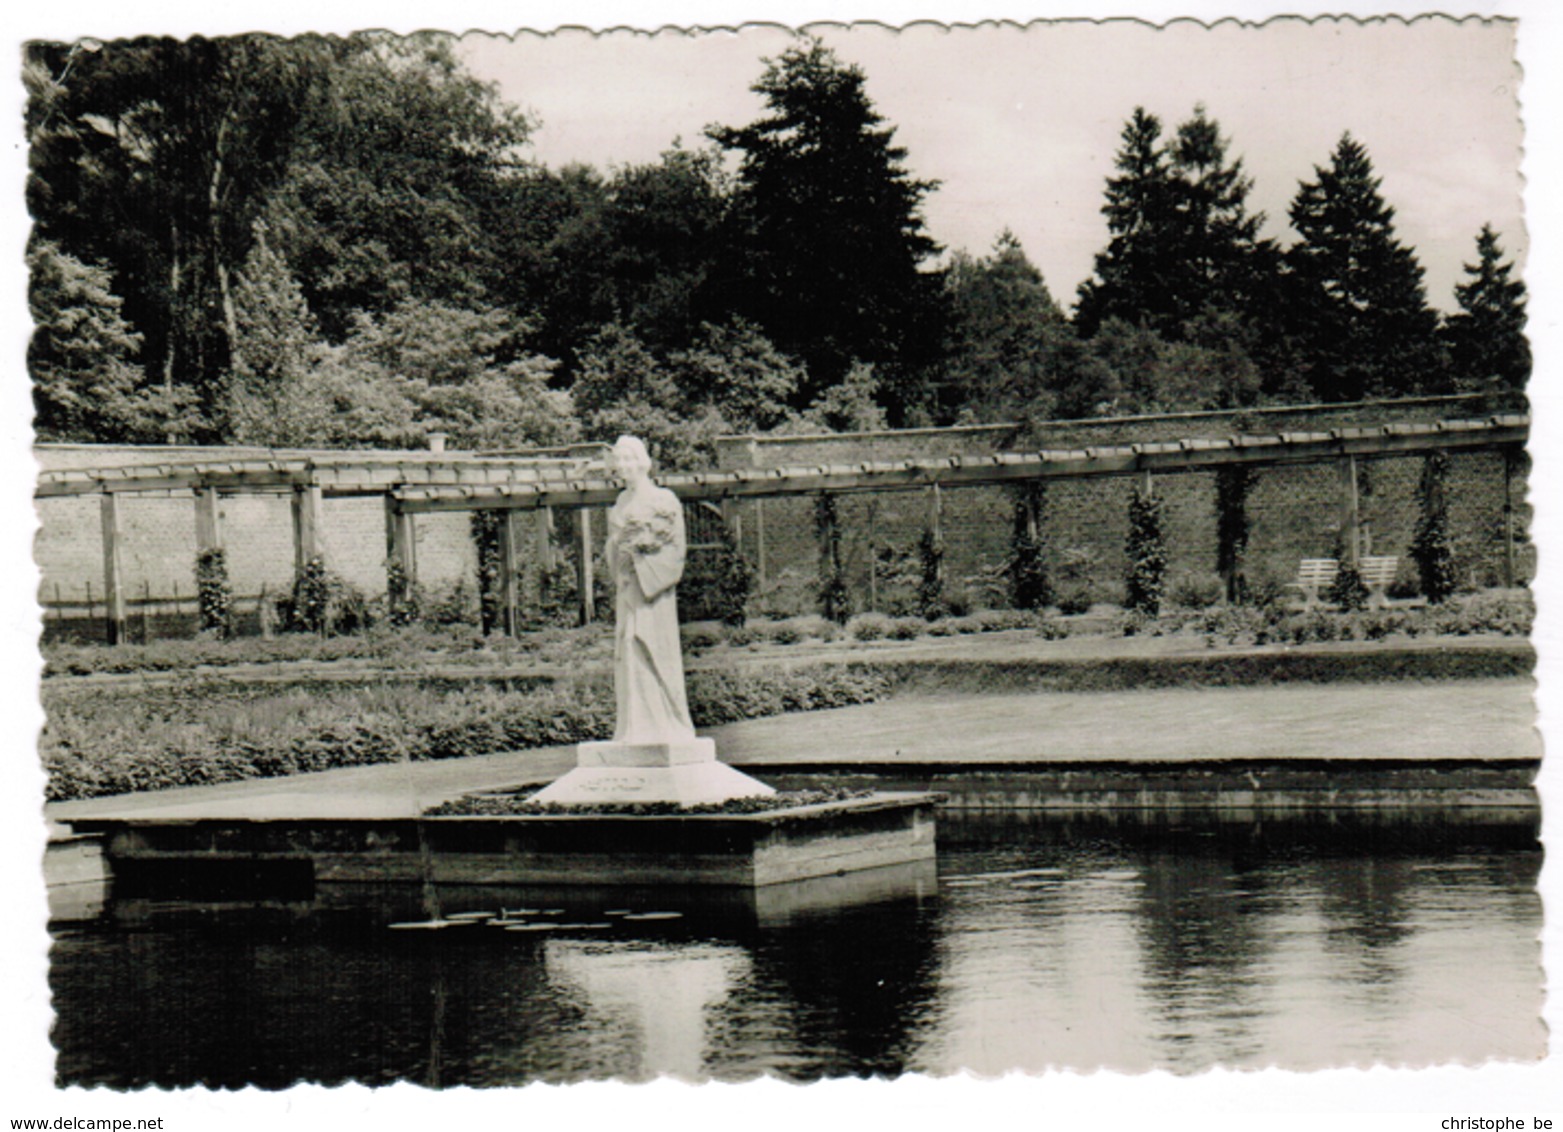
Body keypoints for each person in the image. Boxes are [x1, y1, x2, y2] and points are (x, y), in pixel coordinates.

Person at [604, 436, 696, 743]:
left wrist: (644, 551)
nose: (623, 467)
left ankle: (668, 726)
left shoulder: (664, 500)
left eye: (628, 460)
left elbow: (676, 551)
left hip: (651, 594)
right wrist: (619, 545)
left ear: (642, 462)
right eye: (619, 461)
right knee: (627, 650)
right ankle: (633, 729)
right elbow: (612, 550)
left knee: (651, 648)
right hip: (628, 589)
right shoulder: (620, 503)